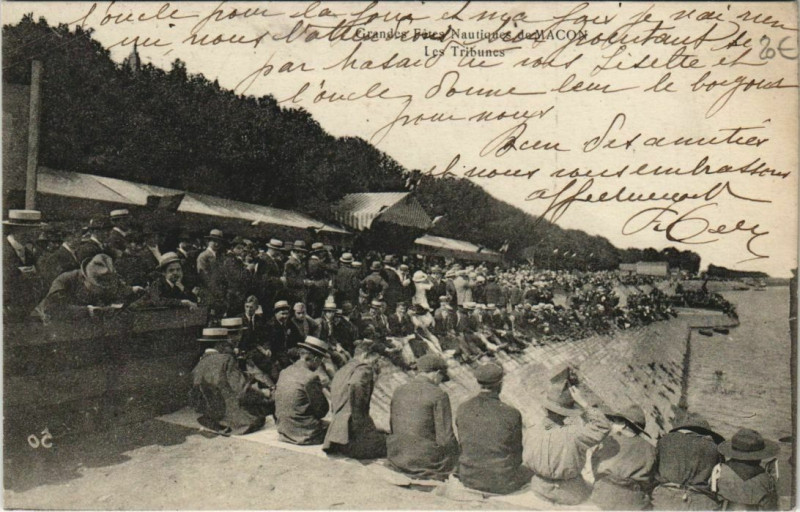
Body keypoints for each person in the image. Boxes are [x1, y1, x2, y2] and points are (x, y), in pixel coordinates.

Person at [524, 378, 610, 505]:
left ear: (545, 408)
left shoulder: (531, 431)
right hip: (570, 493)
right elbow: (603, 426)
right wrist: (584, 404)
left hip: (539, 488)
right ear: (567, 413)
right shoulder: (576, 434)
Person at [456, 363, 529, 494]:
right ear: (500, 384)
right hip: (500, 482)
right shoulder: (511, 413)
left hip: (468, 478)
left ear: (479, 382)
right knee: (530, 471)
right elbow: (517, 456)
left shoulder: (463, 408)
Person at [387, 353, 458, 480]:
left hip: (397, 455)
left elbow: (392, 425)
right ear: (436, 374)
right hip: (423, 460)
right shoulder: (439, 394)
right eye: (442, 378)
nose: (440, 382)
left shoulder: (399, 389)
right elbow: (445, 438)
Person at [190, 327, 274, 435]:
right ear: (220, 344)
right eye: (225, 343)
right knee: (266, 408)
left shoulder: (198, 364)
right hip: (235, 419)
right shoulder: (226, 359)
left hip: (212, 416)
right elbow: (242, 391)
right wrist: (263, 393)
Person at [323, 339, 388, 459]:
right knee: (392, 443)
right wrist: (360, 421)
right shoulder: (363, 368)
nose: (376, 364)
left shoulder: (343, 369)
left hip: (336, 435)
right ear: (365, 355)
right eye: (376, 360)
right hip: (352, 437)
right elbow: (356, 384)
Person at [36, 253, 142, 321]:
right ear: (84, 278)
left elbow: (118, 290)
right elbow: (52, 309)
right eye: (97, 286)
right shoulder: (65, 280)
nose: (100, 291)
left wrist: (132, 290)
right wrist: (87, 311)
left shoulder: (106, 277)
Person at [590, 405, 657, 510]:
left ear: (624, 424)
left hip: (604, 494)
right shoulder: (651, 448)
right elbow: (651, 478)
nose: (612, 423)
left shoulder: (610, 440)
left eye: (615, 421)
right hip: (632, 499)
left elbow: (594, 462)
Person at [652, 414, 724, 510]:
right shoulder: (714, 448)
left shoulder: (664, 441)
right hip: (700, 503)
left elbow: (653, 470)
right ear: (704, 431)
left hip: (665, 499)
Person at [274, 336, 331, 445]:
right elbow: (322, 411)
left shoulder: (284, 371)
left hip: (284, 430)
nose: (320, 364)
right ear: (314, 359)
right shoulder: (311, 377)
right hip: (305, 433)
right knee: (340, 430)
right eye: (321, 360)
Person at [712, 428, 779, 510]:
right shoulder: (766, 479)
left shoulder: (719, 470)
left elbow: (713, 498)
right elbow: (771, 507)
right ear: (759, 456)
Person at [3, 209, 47, 322]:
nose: (38, 233)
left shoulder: (28, 254)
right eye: (34, 229)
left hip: (23, 314)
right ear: (20, 230)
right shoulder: (3, 251)